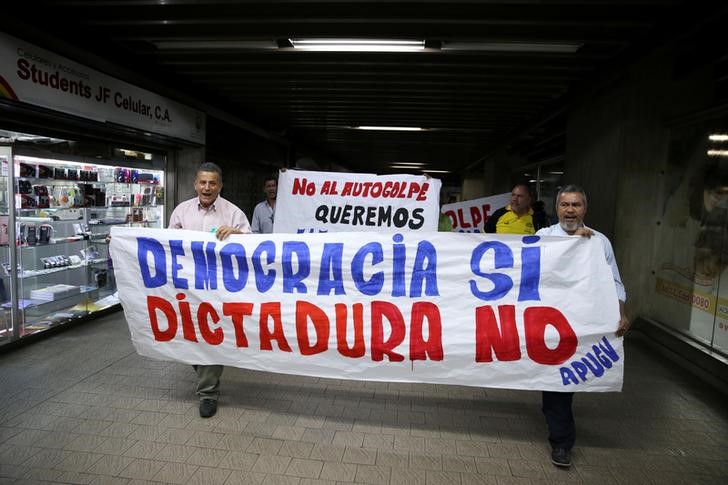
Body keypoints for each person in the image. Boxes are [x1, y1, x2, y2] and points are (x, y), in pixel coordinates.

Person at [536, 184, 629, 467]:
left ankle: (560, 435)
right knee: (555, 382)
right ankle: (562, 441)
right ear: (557, 208)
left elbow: (614, 281)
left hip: (584, 320)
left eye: (576, 205)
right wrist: (572, 244)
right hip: (549, 321)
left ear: (585, 208)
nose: (570, 210)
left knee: (563, 382)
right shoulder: (543, 237)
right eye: (565, 205)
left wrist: (621, 312)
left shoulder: (599, 242)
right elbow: (533, 270)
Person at [168, 162, 251, 418]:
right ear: (195, 184)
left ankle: (208, 393)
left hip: (219, 290)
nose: (207, 187)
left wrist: (238, 234)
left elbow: (256, 247)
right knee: (189, 337)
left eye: (212, 183)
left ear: (220, 186)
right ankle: (206, 373)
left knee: (211, 336)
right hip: (187, 288)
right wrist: (123, 241)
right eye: (202, 182)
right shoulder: (181, 212)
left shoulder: (233, 213)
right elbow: (164, 244)